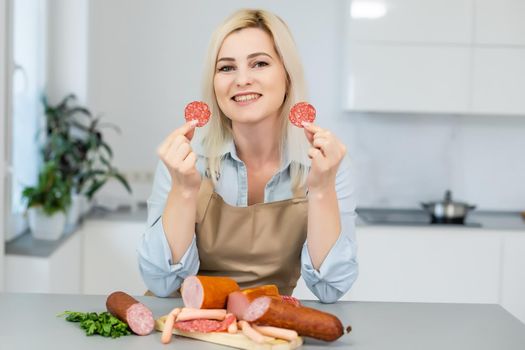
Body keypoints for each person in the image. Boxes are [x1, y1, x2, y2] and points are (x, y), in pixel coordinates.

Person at [138, 8, 358, 303]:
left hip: (265, 331)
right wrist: (183, 190)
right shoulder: (186, 160)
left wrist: (320, 190)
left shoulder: (323, 165)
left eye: (259, 63)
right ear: (214, 84)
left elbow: (330, 288)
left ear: (287, 76)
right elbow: (161, 284)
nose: (242, 80)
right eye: (226, 68)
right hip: (181, 325)